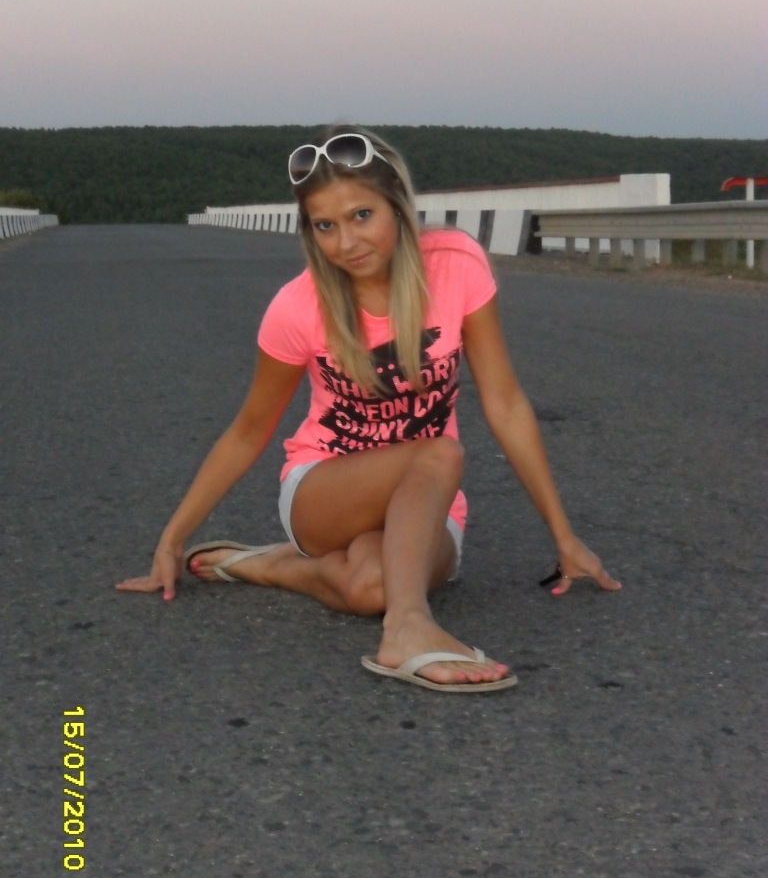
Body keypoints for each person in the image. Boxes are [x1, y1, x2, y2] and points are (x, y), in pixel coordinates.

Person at [117, 126, 620, 692]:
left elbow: (504, 402)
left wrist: (564, 536)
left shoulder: (455, 265)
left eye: (362, 215)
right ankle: (407, 629)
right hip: (327, 491)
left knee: (371, 587)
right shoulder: (299, 306)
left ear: (398, 205)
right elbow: (248, 432)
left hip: (426, 499)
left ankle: (270, 565)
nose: (346, 242)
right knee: (439, 452)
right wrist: (171, 540)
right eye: (325, 226)